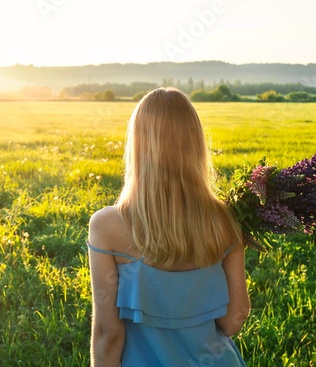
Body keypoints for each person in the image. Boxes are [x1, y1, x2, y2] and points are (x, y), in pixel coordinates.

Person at [87, 88, 251, 366]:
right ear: (195, 144)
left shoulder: (106, 226)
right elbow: (234, 319)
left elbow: (109, 334)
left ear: (138, 146)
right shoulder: (225, 220)